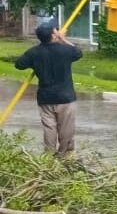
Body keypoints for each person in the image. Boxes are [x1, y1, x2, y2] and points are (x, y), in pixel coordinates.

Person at [14, 19, 83, 157]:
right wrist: (63, 39)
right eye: (55, 31)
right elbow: (78, 53)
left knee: (49, 128)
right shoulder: (65, 50)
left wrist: (34, 62)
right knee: (66, 129)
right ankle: (65, 155)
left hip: (45, 98)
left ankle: (48, 157)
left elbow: (19, 65)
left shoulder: (34, 53)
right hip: (65, 98)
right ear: (53, 35)